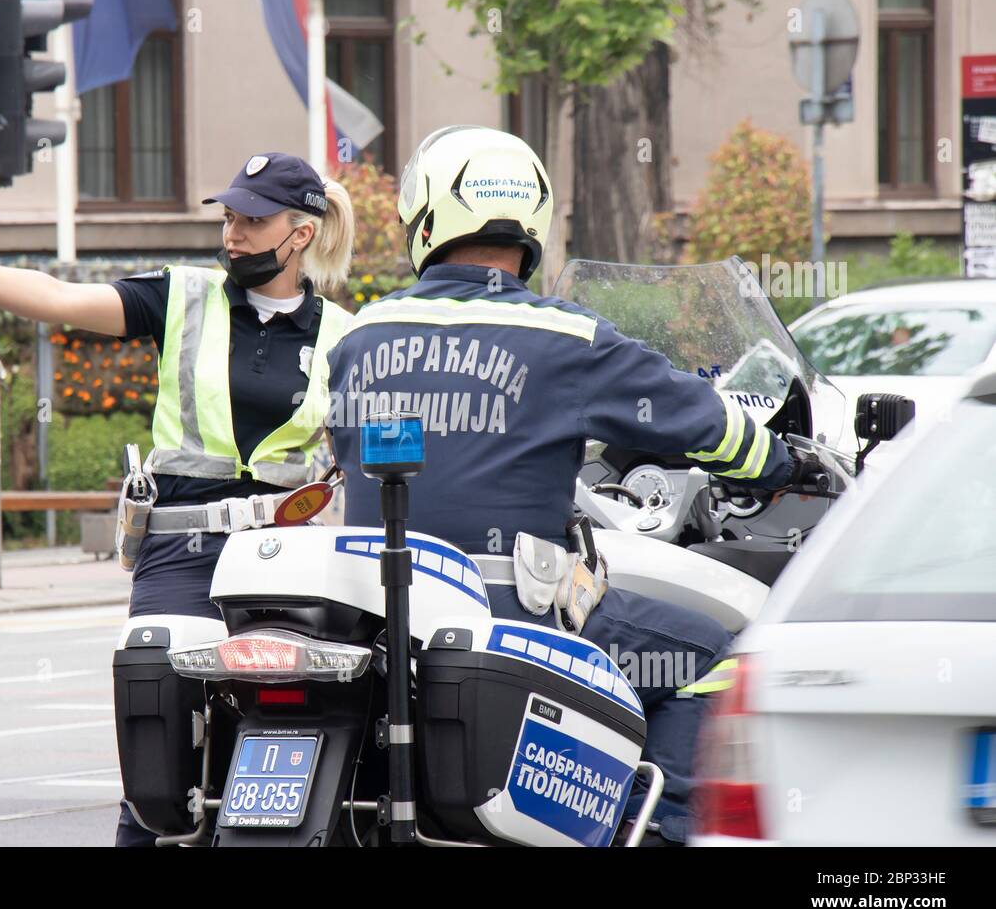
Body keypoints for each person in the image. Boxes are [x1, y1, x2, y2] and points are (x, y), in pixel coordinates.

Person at [325, 126, 820, 844]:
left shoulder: (360, 335)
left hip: (382, 621)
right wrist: (784, 464)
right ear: (532, 224)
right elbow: (705, 424)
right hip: (516, 616)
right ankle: (657, 835)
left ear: (425, 219)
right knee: (713, 658)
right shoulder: (568, 340)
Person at [0, 152, 354, 846]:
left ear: (302, 234)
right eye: (229, 217)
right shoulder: (183, 296)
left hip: (284, 556)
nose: (233, 234)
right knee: (158, 741)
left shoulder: (346, 337)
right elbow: (54, 298)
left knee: (296, 725)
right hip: (182, 545)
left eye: (252, 221)